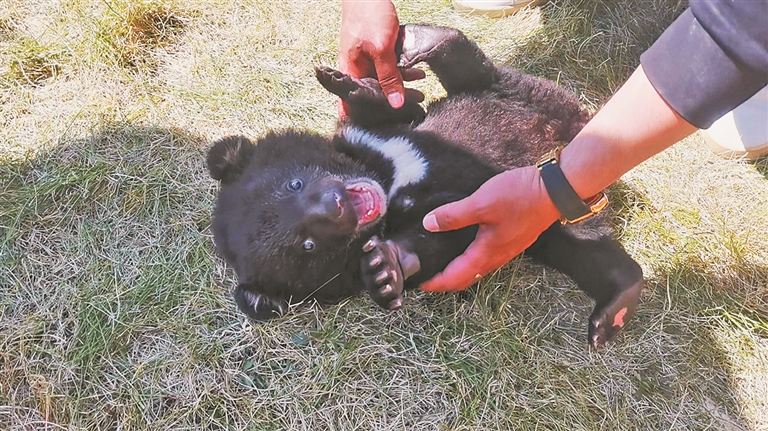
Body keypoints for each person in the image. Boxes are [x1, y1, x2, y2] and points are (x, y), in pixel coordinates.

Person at [338, 0, 768, 292]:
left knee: (738, 42)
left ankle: (751, 76)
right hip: (503, 112)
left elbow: (738, 23)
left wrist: (557, 189)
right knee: (488, 92)